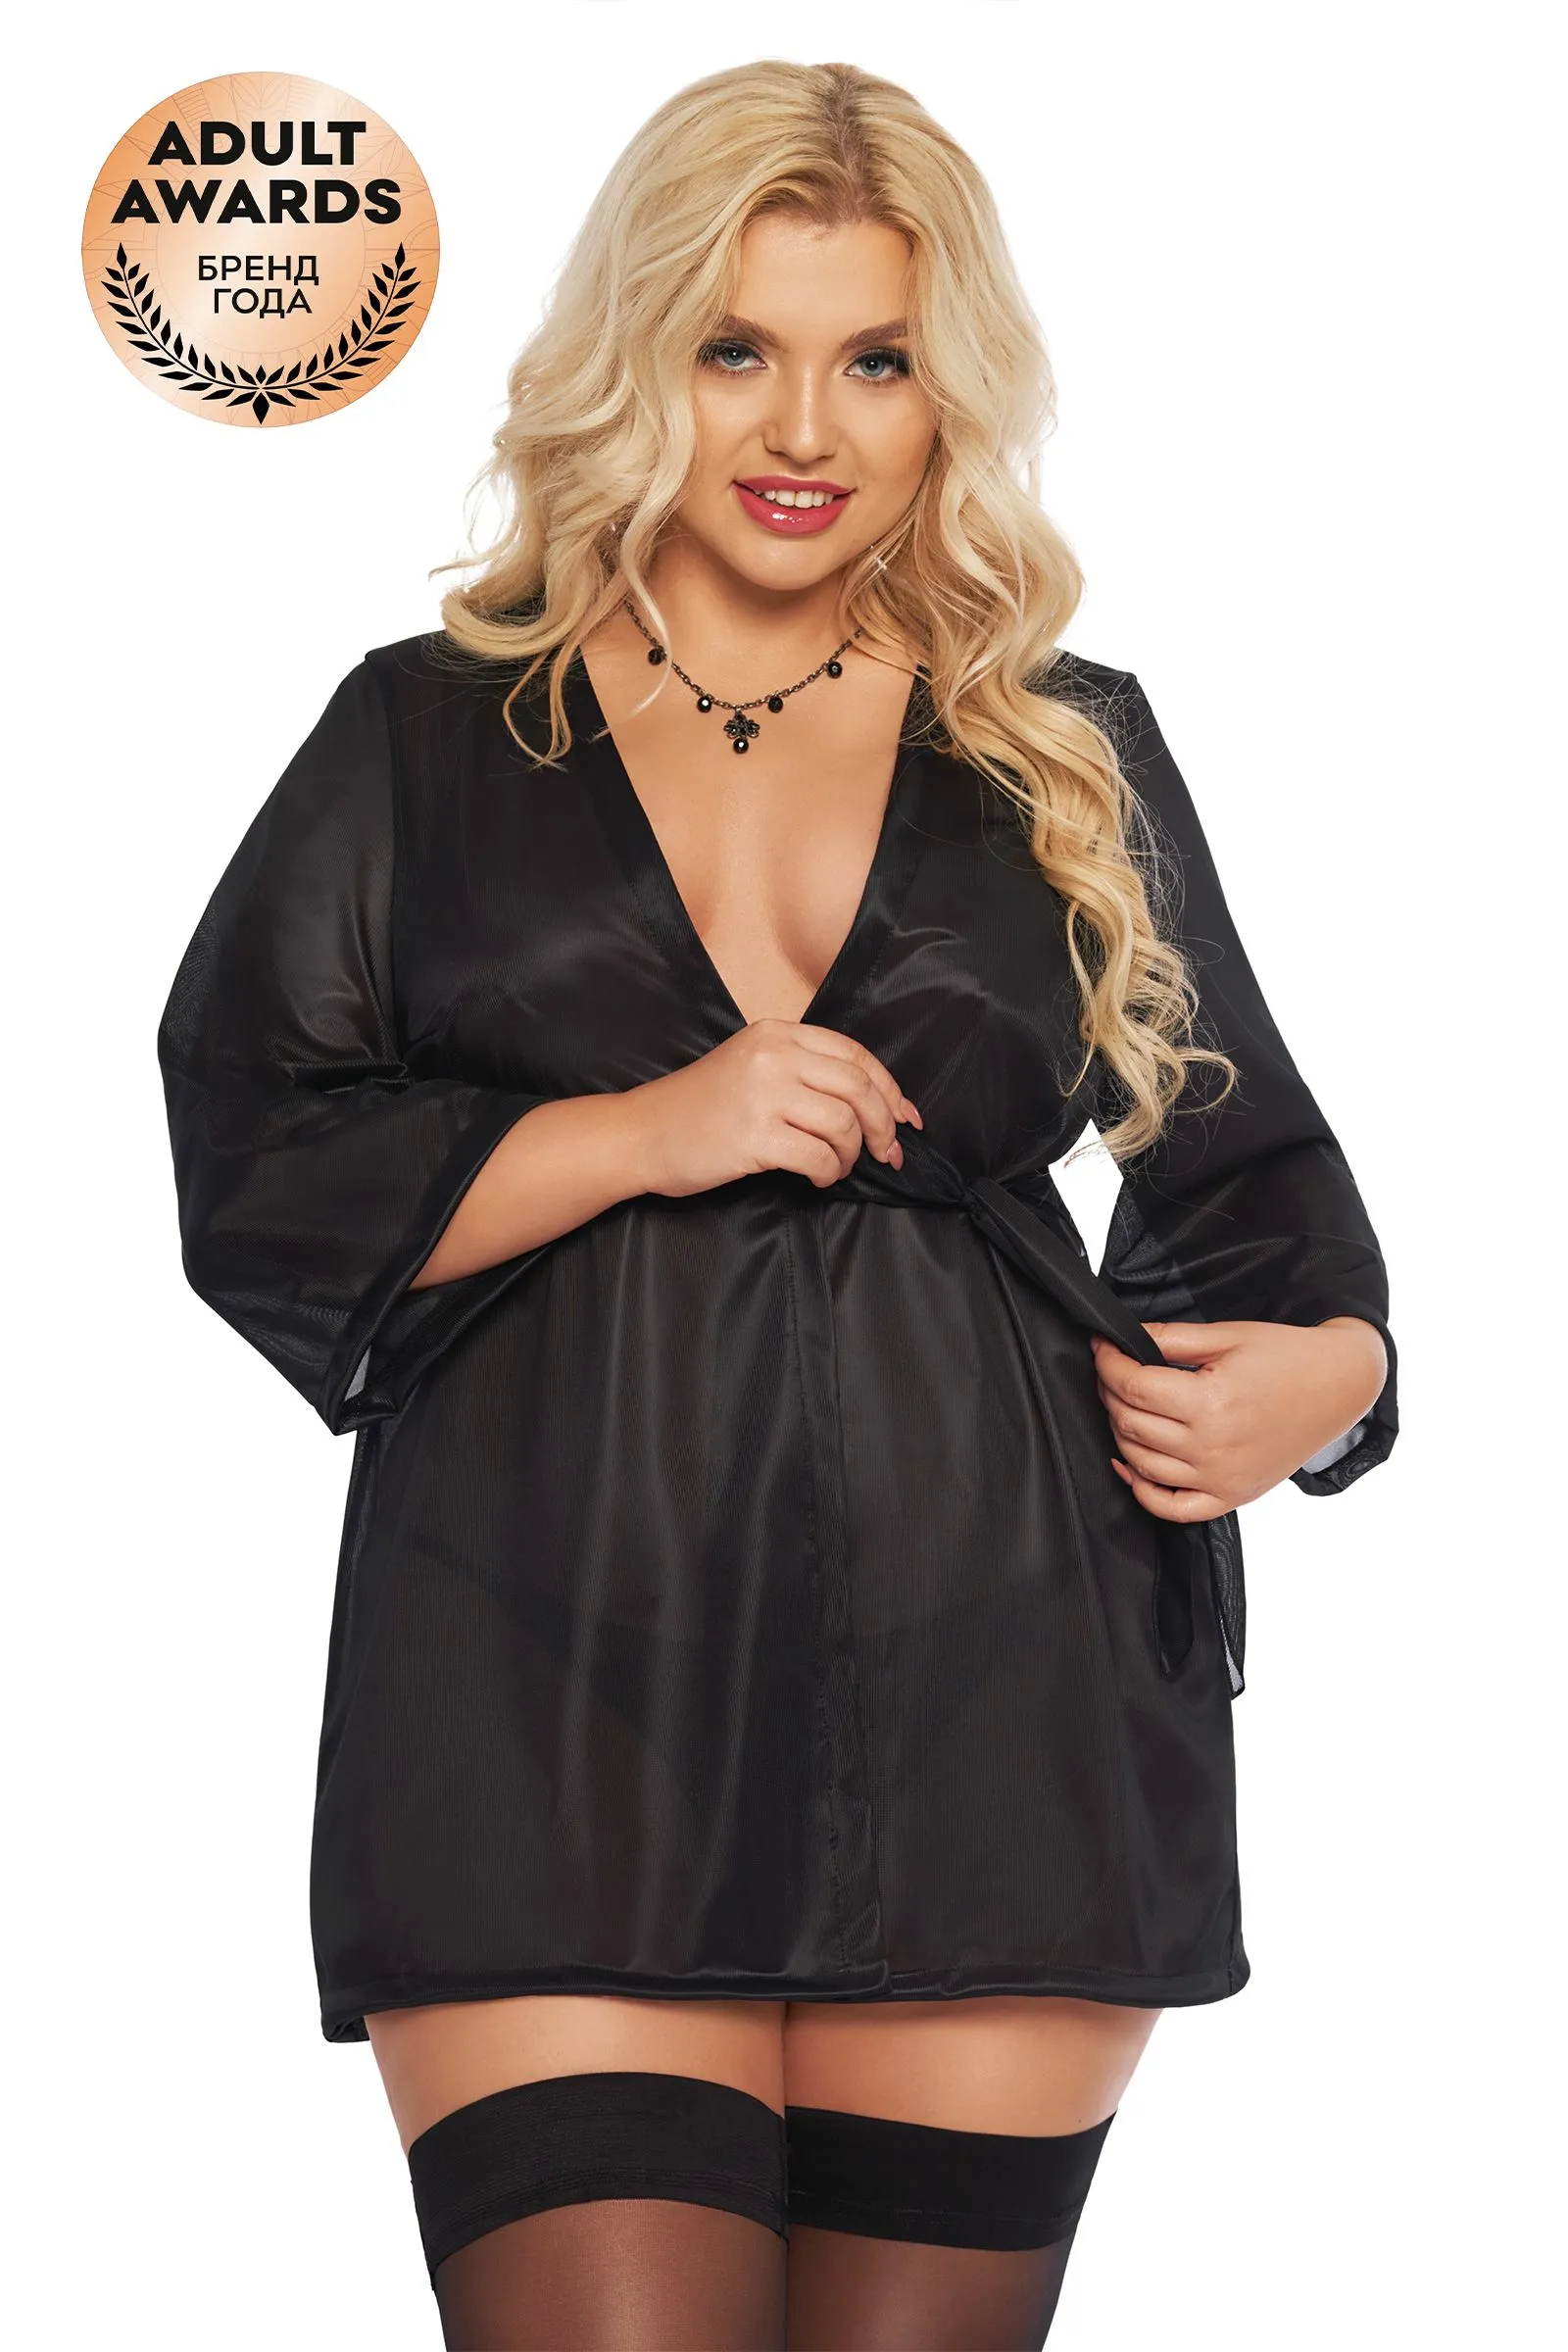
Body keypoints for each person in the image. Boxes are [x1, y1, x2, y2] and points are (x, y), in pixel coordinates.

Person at [157, 57, 1396, 2352]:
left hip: (1005, 1680)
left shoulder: (1062, 741)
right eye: (736, 347)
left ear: (948, 394)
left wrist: (1314, 1378)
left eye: (876, 361)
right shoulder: (423, 734)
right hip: (539, 1692)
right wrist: (646, 1126)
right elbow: (253, 1150)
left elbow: (1250, 1182)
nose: (801, 427)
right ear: (639, 353)